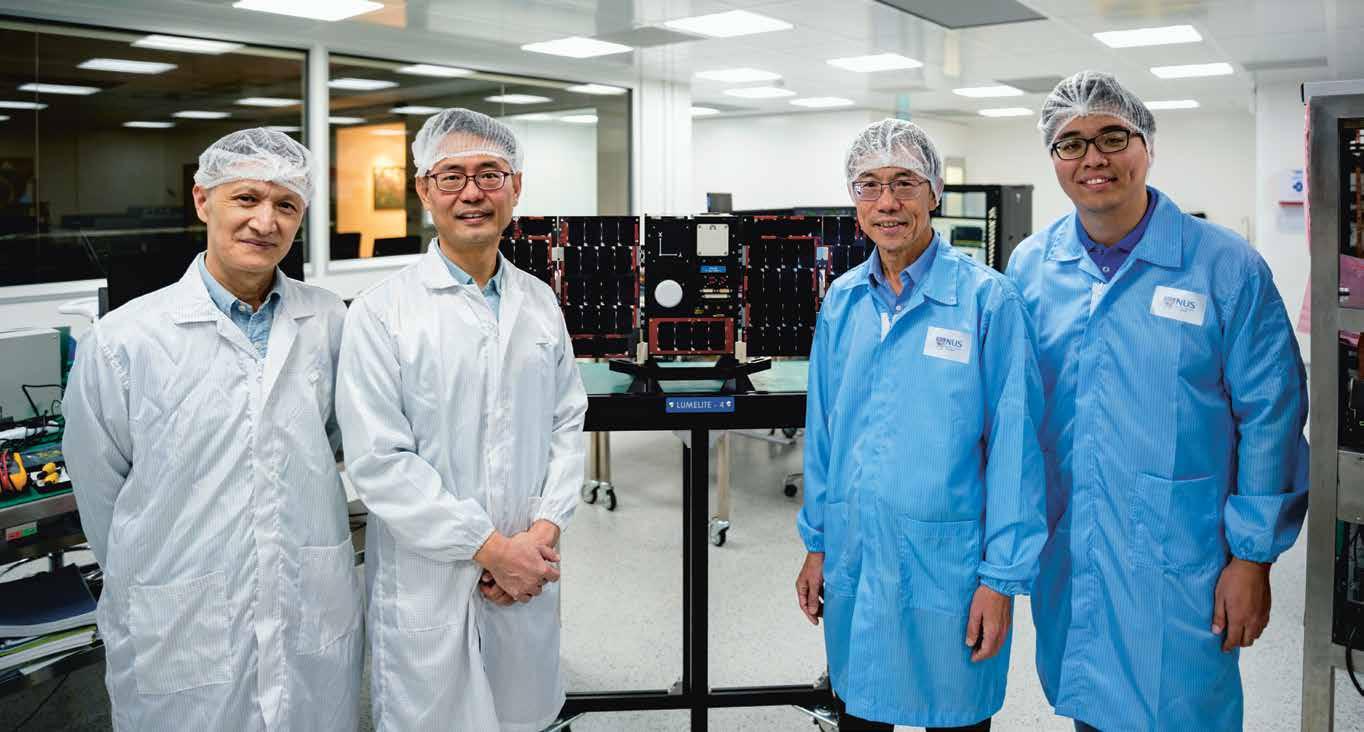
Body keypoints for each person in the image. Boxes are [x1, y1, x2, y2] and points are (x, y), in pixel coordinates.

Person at [1006, 71, 1310, 732]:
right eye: (1070, 143)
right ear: (1054, 159)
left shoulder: (1226, 268)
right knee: (1089, 705)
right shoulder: (1030, 268)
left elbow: (1272, 417)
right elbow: (1015, 417)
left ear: (1147, 145)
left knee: (1183, 708)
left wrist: (1252, 557)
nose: (1093, 157)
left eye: (1113, 137)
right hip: (1074, 549)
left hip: (1184, 556)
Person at [63, 128, 362, 731]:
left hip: (307, 596)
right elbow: (100, 496)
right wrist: (166, 560)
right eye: (246, 198)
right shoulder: (125, 341)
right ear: (203, 201)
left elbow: (336, 441)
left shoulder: (329, 322)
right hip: (179, 615)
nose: (265, 221)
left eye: (286, 205)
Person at [335, 108, 587, 731]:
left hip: (528, 566)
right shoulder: (381, 313)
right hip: (431, 578)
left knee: (523, 716)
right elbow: (380, 462)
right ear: (424, 191)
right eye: (451, 176)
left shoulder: (539, 302)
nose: (472, 193)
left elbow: (567, 424)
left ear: (515, 187)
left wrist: (541, 535)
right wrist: (492, 550)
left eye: (490, 174)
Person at [794, 118, 1047, 731]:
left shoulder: (988, 302)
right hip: (856, 555)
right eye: (870, 185)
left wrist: (1001, 580)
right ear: (854, 200)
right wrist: (817, 543)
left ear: (934, 192)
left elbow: (1015, 452)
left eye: (904, 183)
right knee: (860, 711)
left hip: (951, 569)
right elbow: (824, 434)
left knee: (954, 712)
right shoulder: (843, 302)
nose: (887, 202)